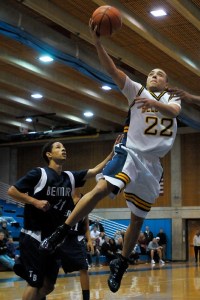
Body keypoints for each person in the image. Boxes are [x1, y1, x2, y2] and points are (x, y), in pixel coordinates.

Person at [40, 20, 181, 293]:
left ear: (166, 82)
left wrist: (155, 103)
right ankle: (63, 231)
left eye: (159, 74)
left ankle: (122, 262)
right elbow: (112, 70)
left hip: (152, 166)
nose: (153, 75)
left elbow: (174, 113)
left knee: (137, 219)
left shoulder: (172, 99)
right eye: (150, 73)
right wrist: (97, 42)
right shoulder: (136, 91)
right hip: (130, 153)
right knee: (102, 187)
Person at [7, 139, 117, 300]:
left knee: (48, 285)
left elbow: (94, 171)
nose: (63, 149)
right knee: (35, 283)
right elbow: (12, 191)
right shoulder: (39, 174)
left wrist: (112, 153)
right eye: (58, 147)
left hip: (54, 239)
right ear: (49, 154)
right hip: (34, 236)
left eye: (64, 147)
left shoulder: (70, 177)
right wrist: (35, 201)